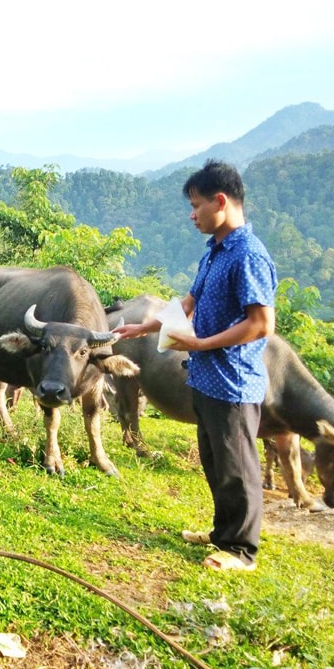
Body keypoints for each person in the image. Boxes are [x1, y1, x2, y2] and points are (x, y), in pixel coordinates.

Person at [115, 160, 278, 573]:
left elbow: (261, 323)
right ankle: (223, 533)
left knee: (237, 468)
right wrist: (145, 326)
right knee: (216, 463)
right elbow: (189, 303)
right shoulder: (215, 251)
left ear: (220, 202)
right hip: (205, 378)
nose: (192, 215)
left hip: (233, 383)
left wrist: (201, 342)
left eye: (196, 205)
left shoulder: (249, 256)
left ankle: (242, 551)